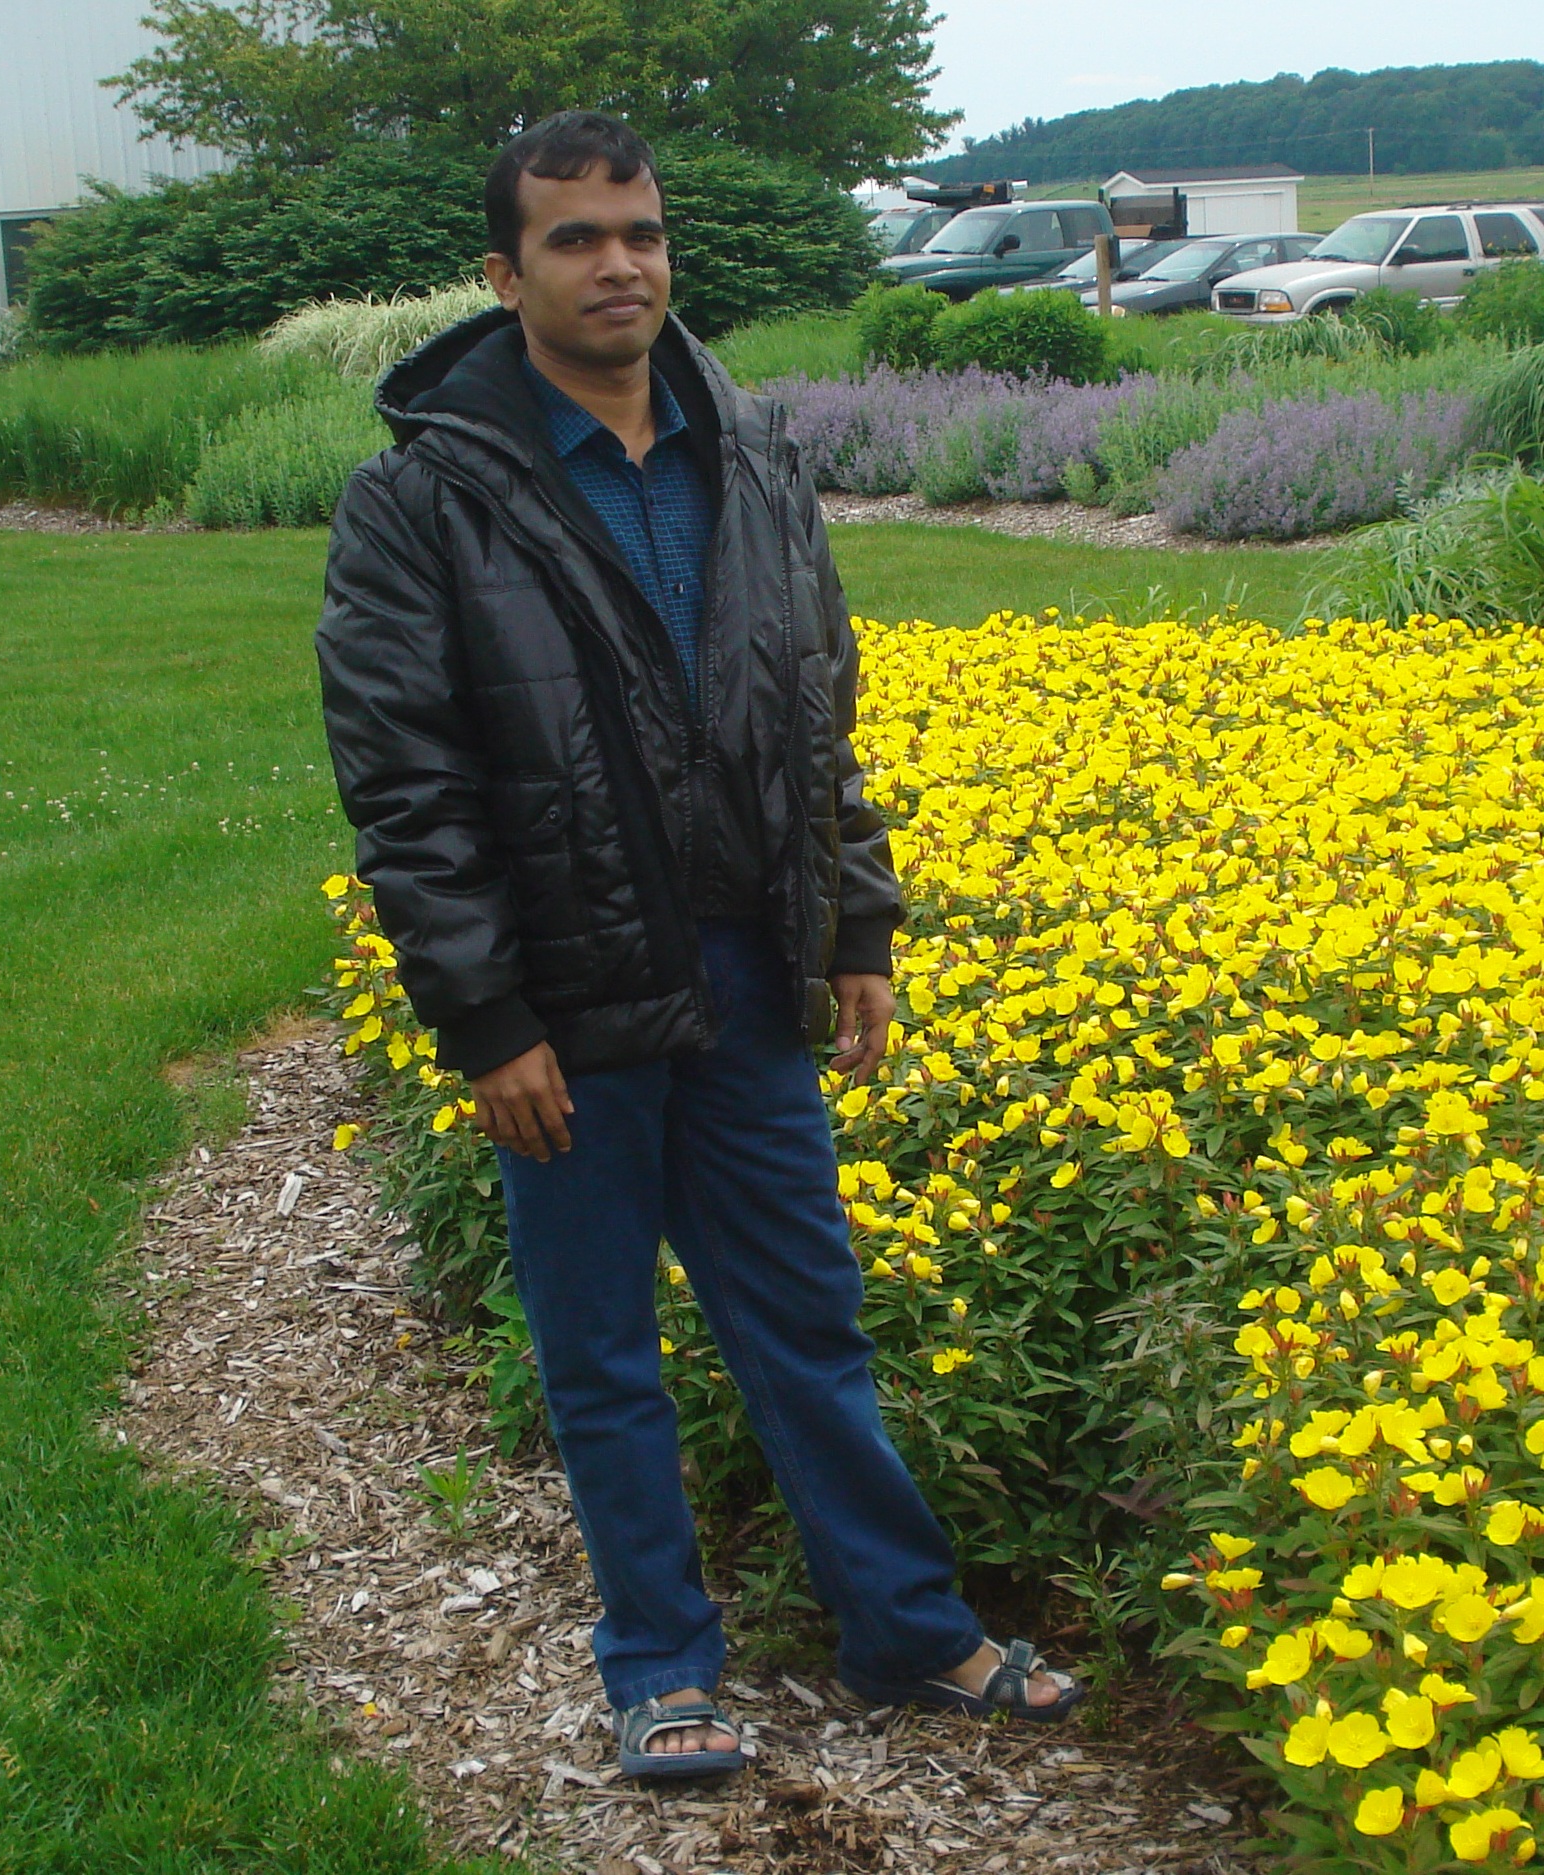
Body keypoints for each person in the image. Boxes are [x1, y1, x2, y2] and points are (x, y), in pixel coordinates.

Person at [315, 109, 1082, 1779]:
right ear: (505, 271)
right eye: (578, 239)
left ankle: (905, 1628)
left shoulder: (753, 453)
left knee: (808, 1322)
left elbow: (821, 711)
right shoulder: (424, 501)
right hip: (569, 1011)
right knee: (602, 1359)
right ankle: (661, 1664)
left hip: (749, 981)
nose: (621, 264)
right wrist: (485, 1014)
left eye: (642, 233)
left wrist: (855, 918)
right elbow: (407, 784)